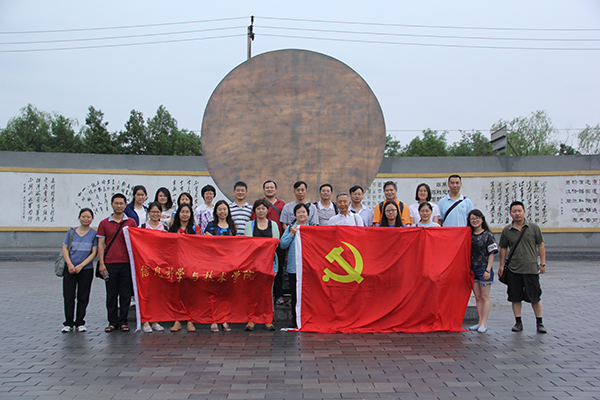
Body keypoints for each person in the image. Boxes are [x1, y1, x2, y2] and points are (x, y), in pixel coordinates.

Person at [498, 201, 547, 334]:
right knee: (515, 297)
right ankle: (518, 322)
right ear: (510, 213)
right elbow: (503, 248)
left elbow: (540, 245)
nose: (517, 214)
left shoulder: (533, 227)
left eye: (519, 211)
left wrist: (542, 263)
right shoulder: (507, 230)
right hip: (514, 269)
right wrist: (501, 265)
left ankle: (540, 322)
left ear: (524, 212)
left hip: (531, 268)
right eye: (514, 211)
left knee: (535, 297)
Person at [97, 193, 138, 333]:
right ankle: (112, 322)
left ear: (125, 205)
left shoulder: (131, 222)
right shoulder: (104, 223)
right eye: (116, 203)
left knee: (125, 294)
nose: (119, 206)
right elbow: (101, 244)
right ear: (111, 204)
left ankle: (123, 322)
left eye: (121, 203)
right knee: (111, 294)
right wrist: (101, 263)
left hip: (126, 263)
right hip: (110, 263)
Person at [244, 199, 279, 331]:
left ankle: (268, 319)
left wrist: (260, 245)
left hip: (270, 263)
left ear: (267, 210)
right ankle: (251, 319)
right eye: (258, 208)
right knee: (252, 292)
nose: (261, 211)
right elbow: (249, 243)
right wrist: (264, 245)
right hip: (253, 264)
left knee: (268, 292)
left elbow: (275, 243)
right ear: (255, 211)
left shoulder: (273, 224)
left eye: (263, 208)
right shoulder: (250, 225)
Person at [61, 208, 98, 333]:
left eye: (88, 217)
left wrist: (81, 265)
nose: (86, 219)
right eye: (83, 216)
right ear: (79, 217)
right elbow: (65, 248)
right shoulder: (71, 232)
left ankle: (80, 322)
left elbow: (94, 252)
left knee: (83, 296)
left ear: (92, 219)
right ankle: (68, 322)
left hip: (86, 269)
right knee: (69, 296)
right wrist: (70, 264)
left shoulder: (94, 234)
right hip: (70, 269)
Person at [251, 180, 286, 307]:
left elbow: (284, 223)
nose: (269, 189)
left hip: (276, 244)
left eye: (272, 187)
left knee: (278, 271)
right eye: (267, 187)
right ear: (264, 190)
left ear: (275, 189)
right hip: (259, 248)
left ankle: (278, 295)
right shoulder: (259, 204)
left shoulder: (282, 205)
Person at [279, 203, 311, 328]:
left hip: (309, 268)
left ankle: (308, 318)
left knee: (309, 294)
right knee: (295, 294)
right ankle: (295, 319)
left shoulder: (313, 229)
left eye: (303, 212)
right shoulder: (290, 228)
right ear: (295, 215)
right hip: (294, 268)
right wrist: (292, 233)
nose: (301, 214)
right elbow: (282, 245)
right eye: (298, 212)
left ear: (308, 215)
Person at [467, 209, 498, 333]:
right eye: (472, 219)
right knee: (477, 297)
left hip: (484, 268)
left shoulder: (488, 235)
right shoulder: (468, 234)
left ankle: (484, 323)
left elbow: (492, 253)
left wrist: (488, 270)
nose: (475, 221)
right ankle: (479, 321)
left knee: (485, 296)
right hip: (473, 269)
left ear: (482, 219)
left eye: (477, 218)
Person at [168, 203, 197, 332]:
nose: (185, 214)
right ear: (178, 214)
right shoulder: (173, 230)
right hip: (176, 265)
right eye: (182, 212)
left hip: (191, 265)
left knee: (190, 294)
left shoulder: (195, 229)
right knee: (177, 293)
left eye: (187, 212)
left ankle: (190, 320)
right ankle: (177, 320)